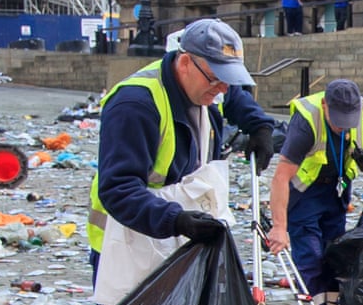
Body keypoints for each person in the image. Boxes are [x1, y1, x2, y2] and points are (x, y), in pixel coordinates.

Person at [86, 18, 275, 289]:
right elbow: (118, 189)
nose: (222, 89)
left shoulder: (207, 85)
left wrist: (260, 126)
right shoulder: (136, 105)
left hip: (175, 227)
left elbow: (233, 96)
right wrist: (176, 220)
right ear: (185, 63)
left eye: (228, 79)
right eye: (216, 78)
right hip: (127, 238)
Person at [265, 79, 363, 305]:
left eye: (348, 120)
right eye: (338, 120)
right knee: (311, 257)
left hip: (336, 190)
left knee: (334, 252)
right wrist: (279, 227)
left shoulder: (355, 111)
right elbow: (280, 178)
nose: (343, 126)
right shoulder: (306, 124)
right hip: (305, 194)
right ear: (325, 105)